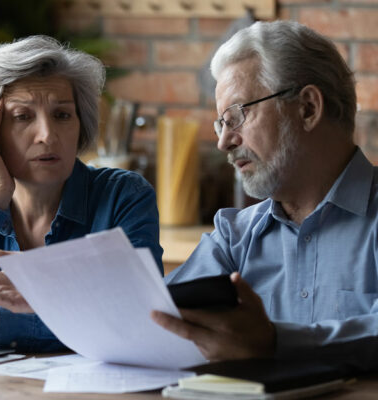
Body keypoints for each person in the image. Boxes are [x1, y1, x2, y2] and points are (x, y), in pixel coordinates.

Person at [0, 35, 163, 352]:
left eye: (62, 115)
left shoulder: (123, 197)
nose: (48, 135)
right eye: (23, 117)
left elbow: (140, 317)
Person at [151, 20, 378, 373]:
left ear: (307, 108)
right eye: (220, 124)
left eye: (237, 116)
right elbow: (158, 321)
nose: (224, 141)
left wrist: (274, 343)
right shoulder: (233, 237)